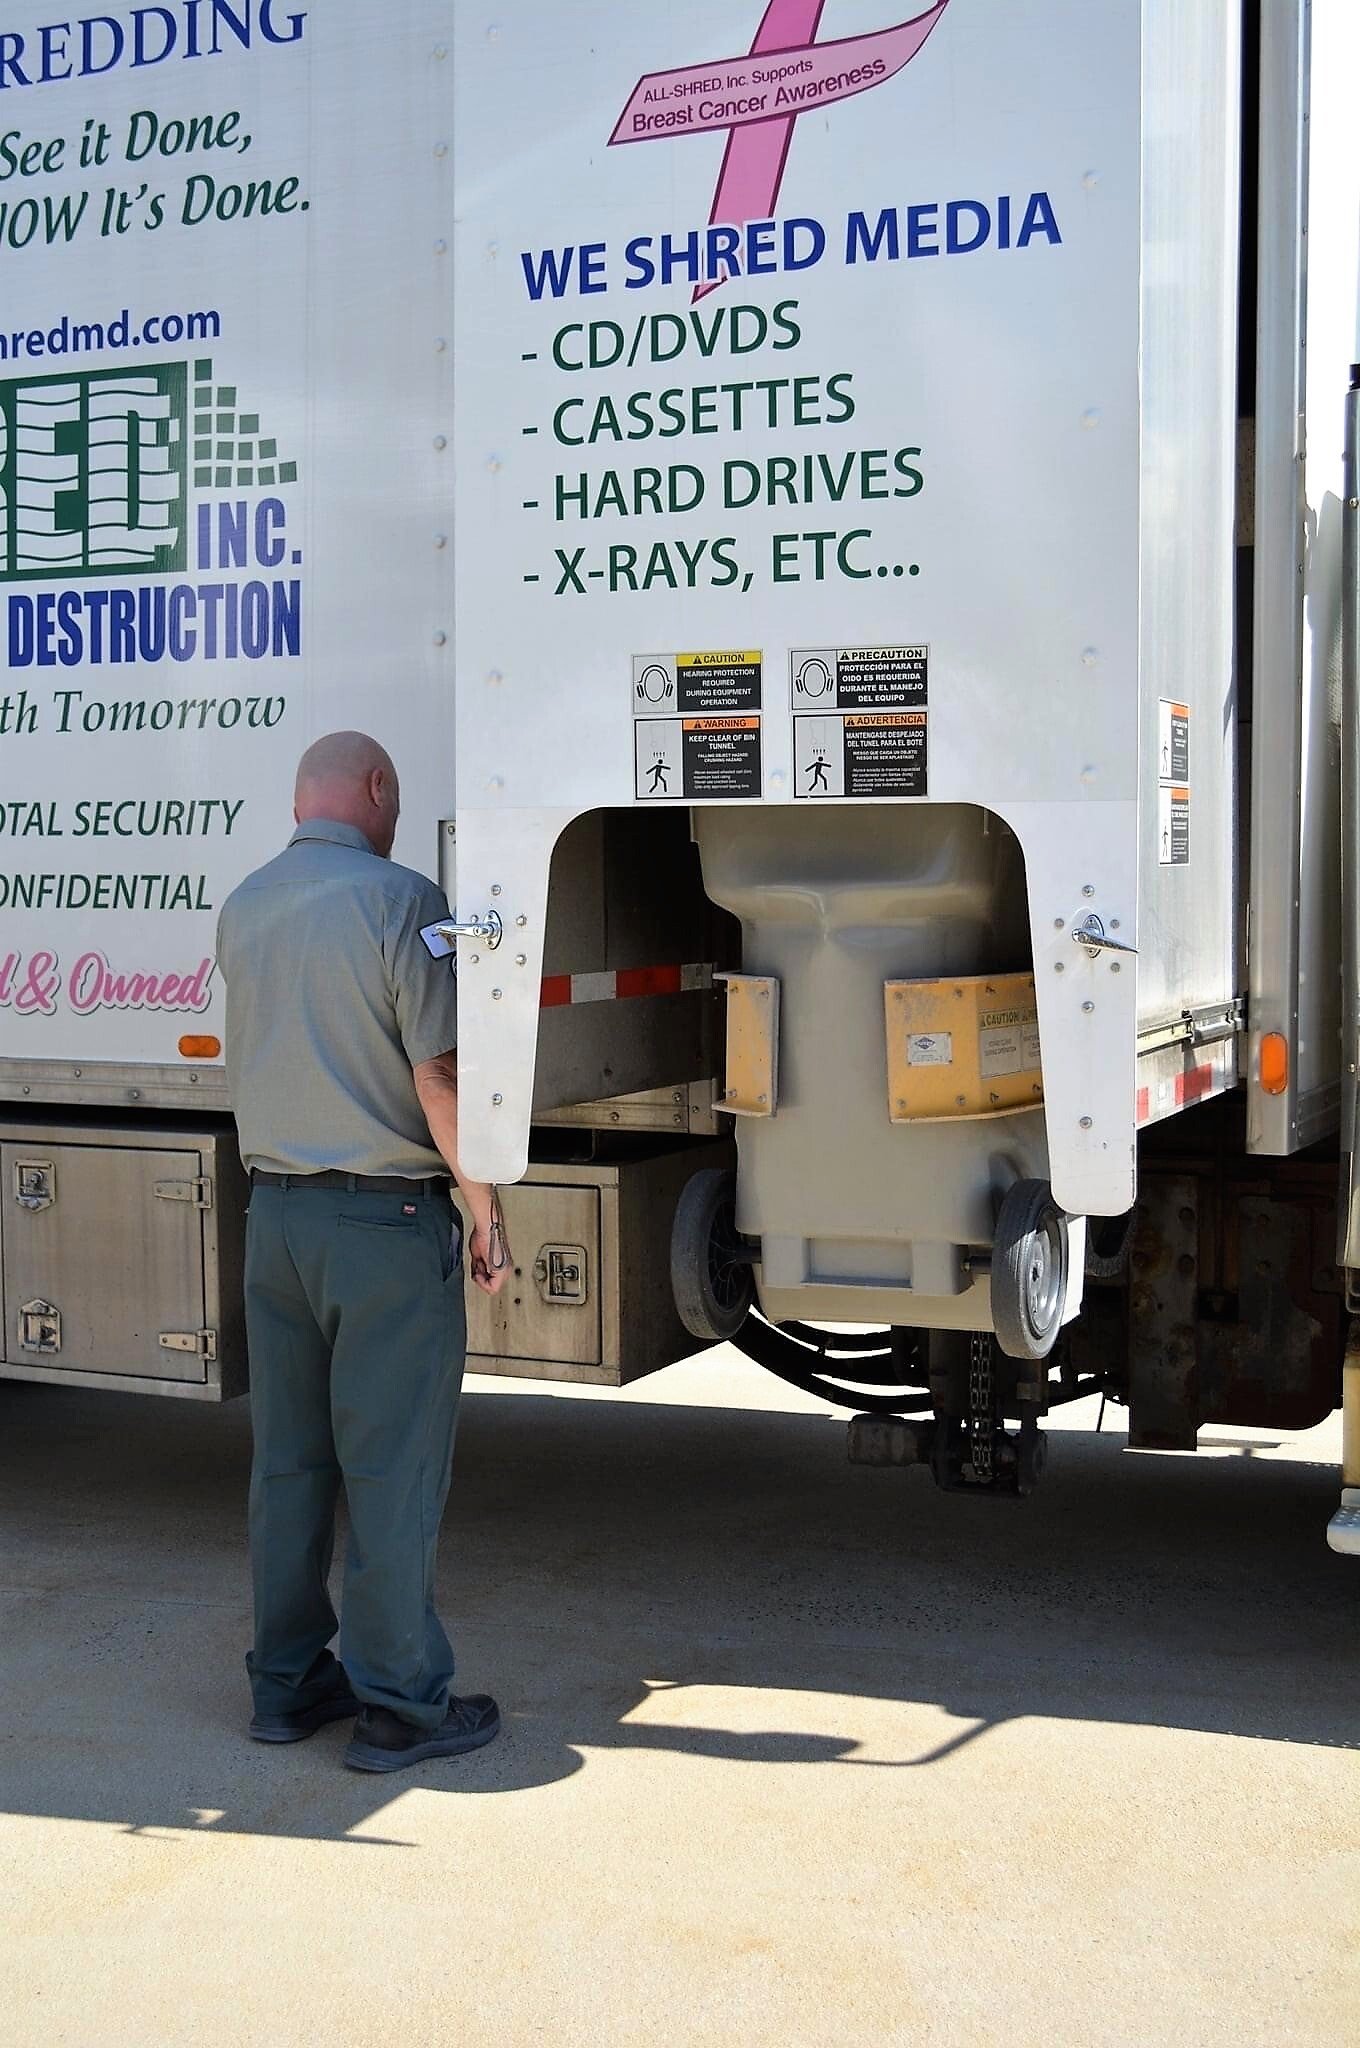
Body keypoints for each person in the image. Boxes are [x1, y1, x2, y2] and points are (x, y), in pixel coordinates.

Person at [216, 731, 510, 1774]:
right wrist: (483, 1206)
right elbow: (437, 1075)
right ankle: (401, 1706)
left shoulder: (243, 903)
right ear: (378, 789)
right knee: (390, 1469)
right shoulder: (402, 899)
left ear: (302, 802)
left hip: (276, 1221)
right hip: (383, 1229)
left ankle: (286, 1686)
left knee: (289, 1465)